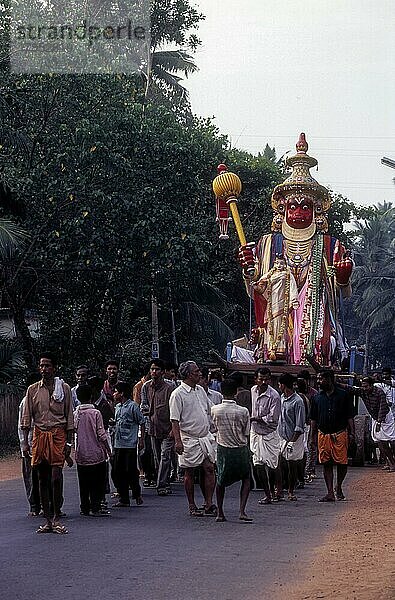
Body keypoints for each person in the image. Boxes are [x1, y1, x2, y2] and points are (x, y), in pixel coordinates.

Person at [238, 133, 353, 365]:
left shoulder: (331, 246)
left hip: (315, 322)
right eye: (292, 207)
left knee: (322, 342)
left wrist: (342, 278)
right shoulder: (266, 244)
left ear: (316, 210)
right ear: (283, 209)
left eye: (305, 207)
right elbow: (254, 290)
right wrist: (247, 269)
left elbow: (344, 294)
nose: (298, 213)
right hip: (277, 325)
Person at [20, 352, 73, 534]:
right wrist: (25, 444)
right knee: (42, 479)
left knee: (56, 477)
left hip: (58, 435)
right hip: (39, 436)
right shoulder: (32, 390)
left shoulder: (64, 388)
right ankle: (48, 520)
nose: (44, 369)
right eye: (42, 366)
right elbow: (26, 418)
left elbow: (69, 416)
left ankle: (57, 515)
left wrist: (69, 442)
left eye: (47, 366)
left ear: (54, 368)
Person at [169, 361, 217, 517]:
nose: (200, 374)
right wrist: (178, 441)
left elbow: (211, 409)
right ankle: (192, 505)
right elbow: (174, 420)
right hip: (188, 438)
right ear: (189, 374)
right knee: (189, 472)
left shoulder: (200, 391)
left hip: (204, 437)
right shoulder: (178, 394)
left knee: (209, 468)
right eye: (197, 371)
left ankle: (209, 503)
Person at [310, 369, 355, 502]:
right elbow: (313, 419)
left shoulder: (343, 395)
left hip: (340, 434)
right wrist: (312, 437)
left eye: (321, 379)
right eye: (318, 379)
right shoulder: (317, 398)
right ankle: (330, 492)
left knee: (342, 463)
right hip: (323, 435)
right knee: (326, 463)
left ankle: (338, 486)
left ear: (330, 379)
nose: (319, 382)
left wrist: (352, 433)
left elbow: (350, 416)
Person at [211, 378, 252, 522]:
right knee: (246, 478)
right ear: (236, 392)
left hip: (223, 449)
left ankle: (220, 512)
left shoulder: (215, 410)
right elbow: (246, 433)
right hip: (240, 449)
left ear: (222, 392)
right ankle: (242, 511)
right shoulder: (243, 411)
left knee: (220, 481)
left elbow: (212, 429)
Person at [253, 254, 299, 361]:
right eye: (277, 263)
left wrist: (294, 300)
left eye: (281, 263)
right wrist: (256, 286)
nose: (279, 265)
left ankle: (280, 350)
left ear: (285, 264)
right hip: (271, 304)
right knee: (271, 327)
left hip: (282, 304)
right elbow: (261, 286)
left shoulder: (287, 274)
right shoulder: (270, 274)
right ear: (275, 264)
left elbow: (292, 287)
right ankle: (271, 350)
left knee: (280, 326)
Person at [74, 384, 111, 516]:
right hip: (96, 454)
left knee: (83, 483)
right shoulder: (96, 413)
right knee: (97, 482)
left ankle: (84, 507)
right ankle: (95, 507)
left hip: (81, 454)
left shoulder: (76, 413)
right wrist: (109, 450)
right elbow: (101, 434)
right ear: (91, 397)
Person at [250, 367, 282, 504]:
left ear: (270, 379)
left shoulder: (274, 396)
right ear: (255, 379)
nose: (263, 382)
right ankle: (267, 494)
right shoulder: (253, 391)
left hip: (270, 433)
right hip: (256, 432)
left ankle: (278, 491)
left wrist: (257, 418)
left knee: (273, 464)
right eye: (261, 379)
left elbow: (273, 418)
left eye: (266, 379)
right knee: (258, 464)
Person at [112, 381, 145, 507]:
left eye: (116, 391)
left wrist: (141, 439)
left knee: (130, 470)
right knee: (118, 470)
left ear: (122, 393)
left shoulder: (133, 406)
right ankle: (123, 496)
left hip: (130, 443)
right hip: (118, 443)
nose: (114, 394)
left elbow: (141, 422)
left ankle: (136, 493)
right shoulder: (118, 407)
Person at [145, 359, 175, 496]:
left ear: (163, 372)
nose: (154, 372)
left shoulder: (170, 388)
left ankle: (163, 484)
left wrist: (173, 429)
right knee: (157, 458)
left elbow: (175, 409)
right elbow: (143, 405)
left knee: (165, 456)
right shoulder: (146, 387)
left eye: (157, 369)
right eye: (152, 369)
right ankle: (161, 480)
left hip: (167, 428)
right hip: (152, 427)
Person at [278, 373, 306, 501]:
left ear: (283, 385)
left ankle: (290, 491)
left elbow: (299, 425)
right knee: (279, 464)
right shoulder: (281, 398)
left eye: (279, 384)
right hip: (281, 436)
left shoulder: (298, 401)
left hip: (293, 438)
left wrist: (292, 442)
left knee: (292, 465)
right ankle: (279, 489)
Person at [357, 377, 395, 471]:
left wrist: (379, 421)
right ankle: (389, 462)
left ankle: (392, 463)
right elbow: (351, 389)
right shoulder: (363, 391)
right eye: (363, 386)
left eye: (366, 386)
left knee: (391, 440)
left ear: (371, 385)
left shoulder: (379, 391)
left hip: (385, 417)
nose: (364, 388)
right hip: (376, 417)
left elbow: (383, 407)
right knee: (380, 441)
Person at [18, 372, 41, 516]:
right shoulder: (25, 402)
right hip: (30, 445)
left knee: (43, 476)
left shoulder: (44, 399)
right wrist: (24, 445)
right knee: (30, 477)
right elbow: (22, 426)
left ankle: (47, 505)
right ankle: (34, 506)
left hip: (43, 444)